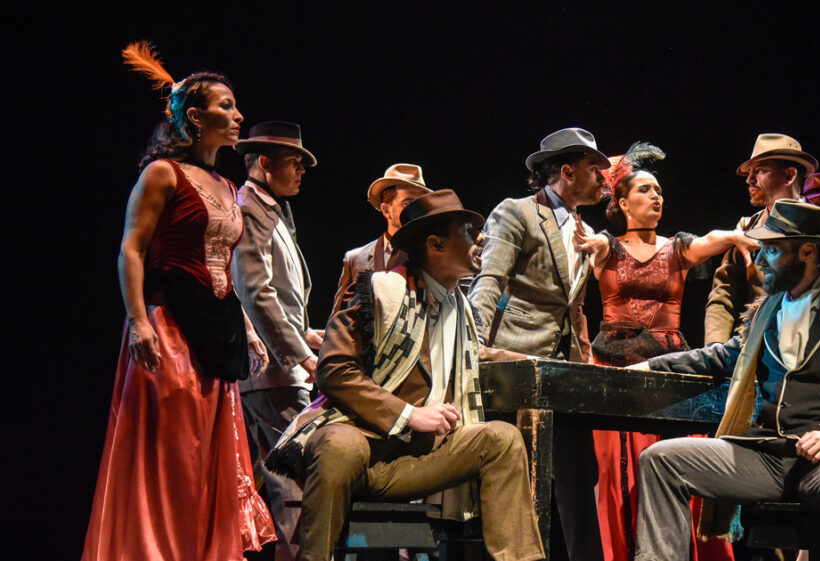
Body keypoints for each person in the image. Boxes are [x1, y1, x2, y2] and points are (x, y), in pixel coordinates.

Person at [630, 200, 820, 561]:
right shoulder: (766, 311)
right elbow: (722, 356)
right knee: (660, 460)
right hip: (766, 454)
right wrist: (650, 366)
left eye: (772, 249)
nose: (761, 260)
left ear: (808, 251)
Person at [83, 42, 275, 561]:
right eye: (226, 106)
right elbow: (132, 248)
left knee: (209, 451)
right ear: (195, 116)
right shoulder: (163, 173)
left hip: (215, 334)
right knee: (173, 450)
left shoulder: (227, 185)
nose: (238, 115)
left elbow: (222, 267)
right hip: (168, 327)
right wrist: (137, 320)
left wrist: (248, 329)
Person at [289, 190, 543, 561]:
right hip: (362, 445)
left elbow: (478, 353)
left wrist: (542, 361)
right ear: (436, 244)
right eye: (469, 231)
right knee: (340, 447)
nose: (482, 238)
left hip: (416, 459)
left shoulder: (457, 308)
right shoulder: (378, 292)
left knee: (502, 440)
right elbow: (335, 370)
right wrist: (409, 414)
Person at [572, 142, 756, 561]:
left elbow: (711, 239)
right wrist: (594, 243)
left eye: (658, 190)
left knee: (680, 463)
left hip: (670, 372)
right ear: (622, 203)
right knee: (620, 474)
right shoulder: (608, 246)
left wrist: (734, 235)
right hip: (615, 369)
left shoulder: (678, 248)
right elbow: (594, 244)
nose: (656, 196)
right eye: (645, 190)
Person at [468, 126, 609, 561]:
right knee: (517, 482)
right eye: (594, 168)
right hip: (517, 362)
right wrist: (470, 347)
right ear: (567, 172)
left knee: (579, 476)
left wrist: (585, 360)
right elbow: (488, 282)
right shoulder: (517, 212)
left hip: (565, 372)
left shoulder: (584, 229)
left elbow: (575, 307)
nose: (602, 177)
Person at [231, 121, 322, 561]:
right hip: (272, 373)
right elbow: (255, 291)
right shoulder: (250, 207)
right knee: (296, 491)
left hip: (282, 369)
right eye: (295, 162)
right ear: (265, 162)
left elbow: (278, 294)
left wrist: (306, 334)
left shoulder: (272, 208)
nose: (302, 170)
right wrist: (302, 357)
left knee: (297, 490)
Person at [703, 134, 820, 345]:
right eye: (749, 173)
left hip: (818, 351)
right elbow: (724, 293)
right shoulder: (746, 229)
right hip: (757, 350)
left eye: (760, 171)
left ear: (789, 175)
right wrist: (715, 346)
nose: (749, 180)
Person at [331, 163, 432, 315]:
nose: (416, 210)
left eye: (420, 203)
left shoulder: (434, 255)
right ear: (386, 210)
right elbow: (337, 320)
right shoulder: (356, 259)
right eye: (408, 203)